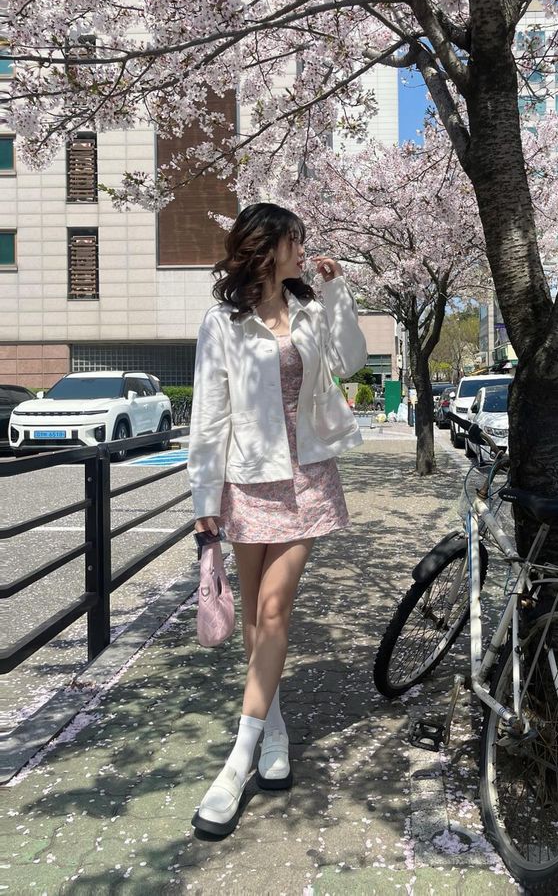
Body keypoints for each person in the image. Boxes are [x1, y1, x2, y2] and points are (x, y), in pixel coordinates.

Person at [187, 202, 367, 836]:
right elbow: (208, 414)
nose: (302, 247)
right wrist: (203, 506)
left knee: (272, 611)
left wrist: (339, 288)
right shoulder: (224, 323)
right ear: (267, 248)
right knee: (257, 626)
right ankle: (274, 730)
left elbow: (352, 362)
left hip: (308, 478)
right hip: (246, 481)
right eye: (294, 238)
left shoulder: (313, 314)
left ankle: (235, 765)